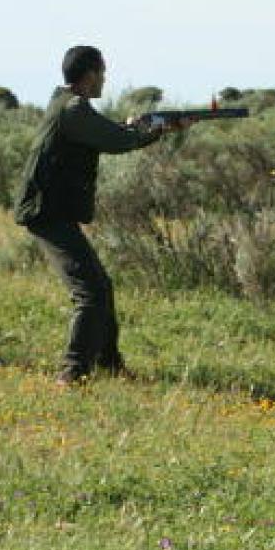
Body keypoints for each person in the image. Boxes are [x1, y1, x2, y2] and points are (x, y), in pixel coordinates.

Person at [14, 45, 184, 385]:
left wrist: (137, 127)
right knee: (90, 294)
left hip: (52, 211)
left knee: (100, 288)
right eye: (102, 71)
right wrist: (158, 129)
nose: (105, 78)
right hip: (47, 212)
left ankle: (109, 365)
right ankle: (72, 374)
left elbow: (110, 133)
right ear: (90, 74)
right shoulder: (75, 108)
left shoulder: (68, 105)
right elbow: (119, 142)